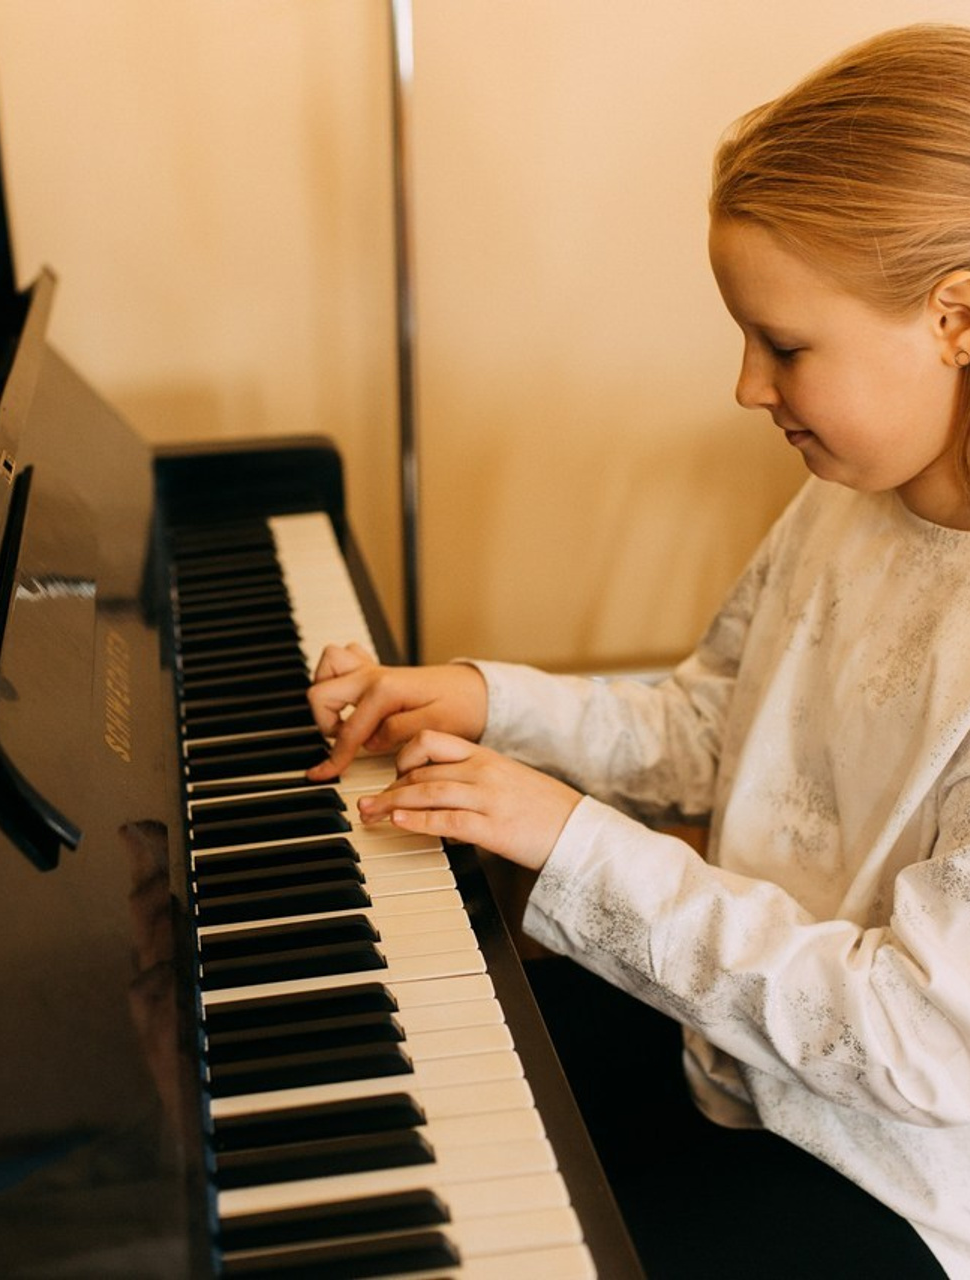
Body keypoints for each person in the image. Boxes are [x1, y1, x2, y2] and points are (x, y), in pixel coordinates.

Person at [304, 23, 970, 1279]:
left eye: (782, 345)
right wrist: (486, 700)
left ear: (953, 319)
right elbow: (720, 722)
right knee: (415, 1069)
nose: (743, 386)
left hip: (892, 1175)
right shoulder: (845, 495)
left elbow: (922, 1043)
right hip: (731, 1049)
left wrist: (575, 840)